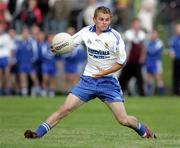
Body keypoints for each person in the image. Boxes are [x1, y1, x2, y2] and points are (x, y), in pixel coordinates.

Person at [24, 6, 156, 139]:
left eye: (107, 20)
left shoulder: (115, 37)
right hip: (88, 80)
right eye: (101, 19)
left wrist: (103, 73)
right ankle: (37, 134)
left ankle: (144, 131)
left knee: (123, 120)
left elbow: (122, 62)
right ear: (94, 19)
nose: (104, 22)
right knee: (65, 109)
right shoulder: (86, 32)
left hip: (108, 83)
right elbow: (69, 43)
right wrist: (57, 47)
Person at [118, 18, 146, 96]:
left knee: (140, 79)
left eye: (138, 24)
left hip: (137, 61)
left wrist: (142, 57)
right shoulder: (128, 34)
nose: (137, 25)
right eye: (136, 24)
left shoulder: (142, 34)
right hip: (129, 60)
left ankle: (142, 94)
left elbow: (143, 47)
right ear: (133, 24)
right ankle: (120, 93)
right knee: (123, 78)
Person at [145, 30, 164, 96]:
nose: (153, 36)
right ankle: (149, 95)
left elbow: (152, 51)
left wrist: (148, 49)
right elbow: (146, 50)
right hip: (149, 62)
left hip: (156, 62)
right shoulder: (148, 42)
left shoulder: (159, 43)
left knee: (158, 78)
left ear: (157, 35)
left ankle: (161, 95)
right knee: (148, 79)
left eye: (154, 34)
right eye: (152, 34)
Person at [169, 23, 180, 96]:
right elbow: (171, 48)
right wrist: (171, 53)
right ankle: (175, 91)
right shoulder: (173, 39)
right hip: (176, 60)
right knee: (176, 76)